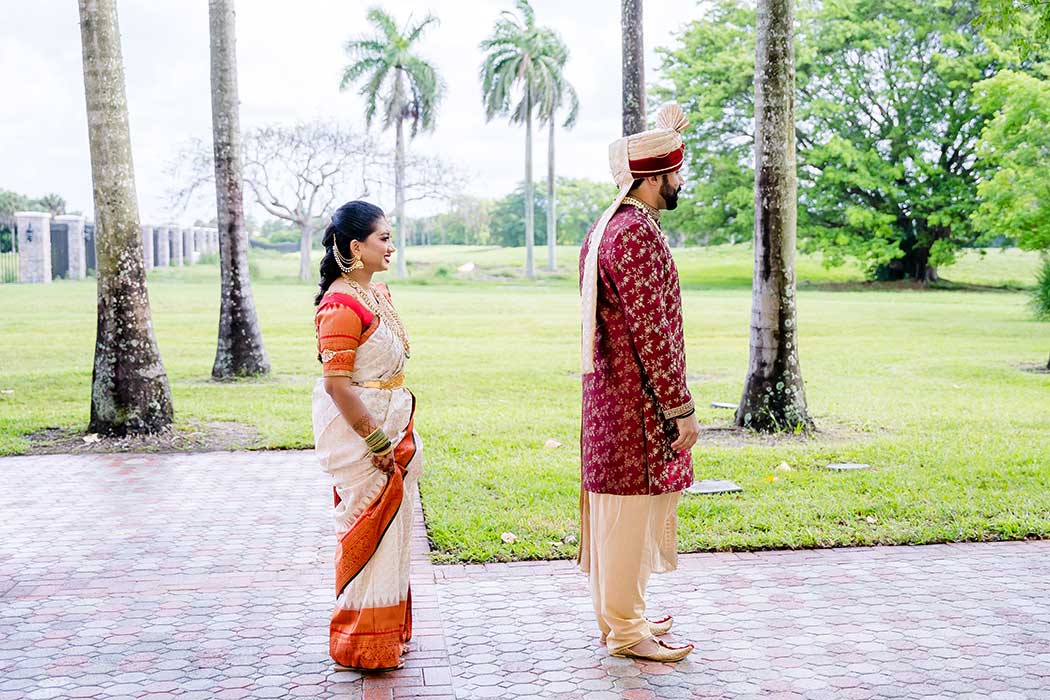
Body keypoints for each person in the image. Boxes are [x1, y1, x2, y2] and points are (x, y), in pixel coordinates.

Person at [577, 103, 701, 663]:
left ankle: (625, 614)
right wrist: (680, 407)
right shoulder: (635, 235)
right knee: (628, 515)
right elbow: (655, 332)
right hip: (636, 400)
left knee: (618, 514)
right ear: (652, 178)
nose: (680, 181)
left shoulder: (608, 226)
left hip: (612, 393)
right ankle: (627, 630)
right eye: (675, 172)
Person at [311, 200, 422, 672]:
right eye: (384, 238)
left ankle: (388, 634)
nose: (391, 247)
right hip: (365, 440)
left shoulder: (378, 294)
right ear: (356, 247)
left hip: (394, 422)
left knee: (395, 534)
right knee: (366, 530)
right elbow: (337, 386)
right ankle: (361, 643)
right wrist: (376, 440)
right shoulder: (340, 304)